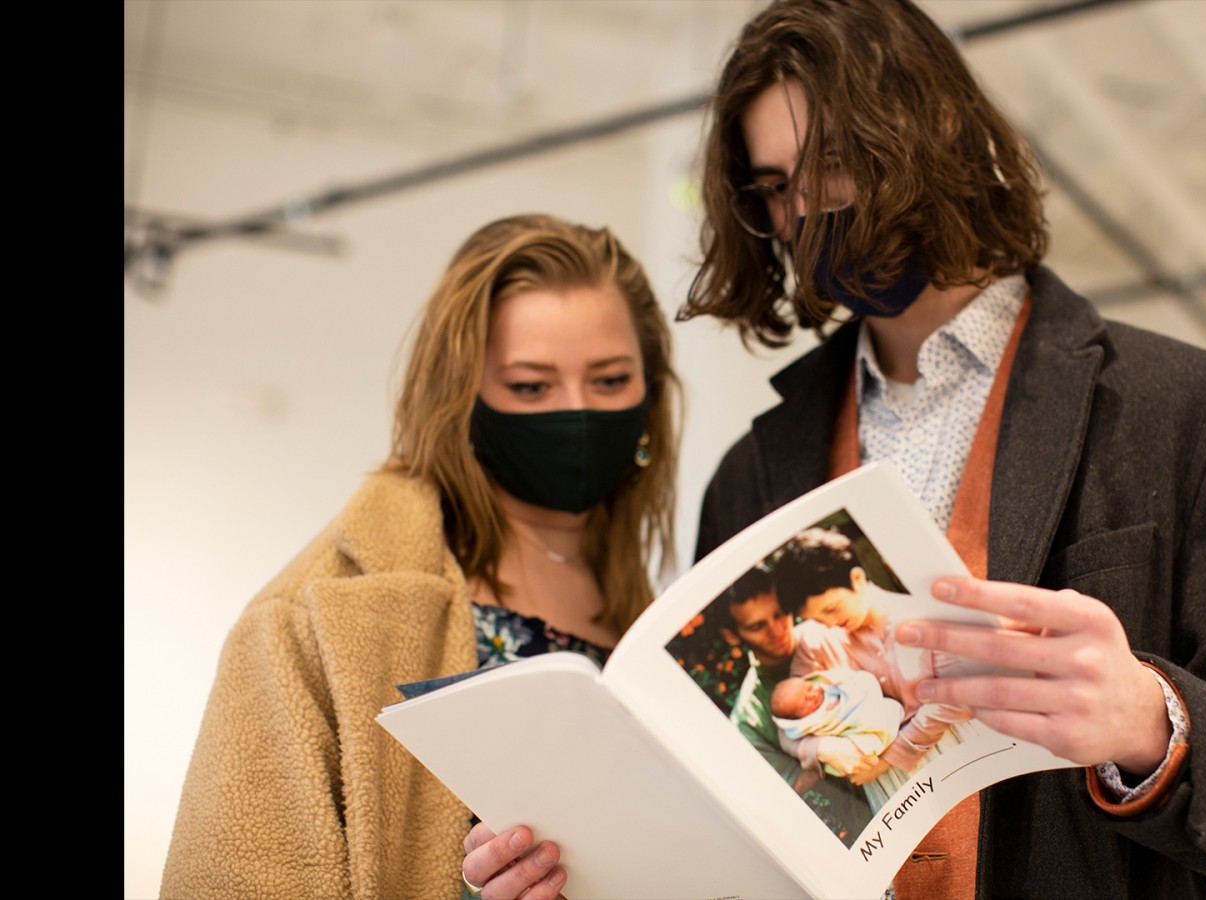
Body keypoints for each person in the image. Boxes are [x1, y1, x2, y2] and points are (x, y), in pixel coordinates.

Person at [680, 1, 1206, 898]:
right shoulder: (752, 473)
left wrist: (1151, 721)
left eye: (836, 164)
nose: (807, 211)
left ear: (934, 138)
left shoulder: (1186, 413)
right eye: (775, 187)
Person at [161, 212, 680, 900]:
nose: (577, 412)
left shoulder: (651, 615)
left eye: (611, 380)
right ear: (459, 396)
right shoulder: (312, 618)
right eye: (531, 386)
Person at [770, 526, 973, 785]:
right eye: (816, 619)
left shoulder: (924, 617)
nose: (829, 624)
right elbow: (787, 724)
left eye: (832, 609)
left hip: (956, 752)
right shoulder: (815, 641)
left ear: (856, 579)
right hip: (883, 785)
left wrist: (893, 756)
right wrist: (820, 748)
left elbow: (959, 696)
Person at [708, 564, 875, 840]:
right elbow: (789, 785)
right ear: (732, 636)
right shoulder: (749, 718)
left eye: (779, 613)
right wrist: (822, 751)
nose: (777, 630)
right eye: (757, 626)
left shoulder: (830, 626)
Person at [769, 669, 904, 778]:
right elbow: (820, 730)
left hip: (862, 709)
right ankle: (875, 739)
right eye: (805, 701)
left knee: (881, 712)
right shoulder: (811, 722)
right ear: (798, 718)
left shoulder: (828, 687)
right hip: (849, 733)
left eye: (809, 687)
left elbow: (848, 681)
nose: (813, 694)